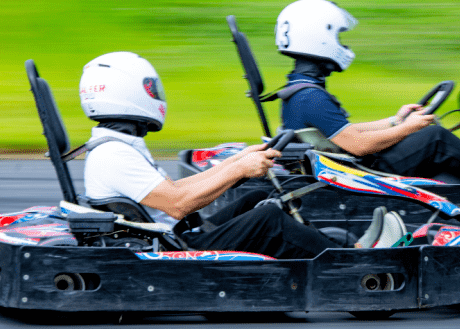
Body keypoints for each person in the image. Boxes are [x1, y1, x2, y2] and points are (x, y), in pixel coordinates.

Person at [79, 51, 403, 256]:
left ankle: (341, 249)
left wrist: (238, 160)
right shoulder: (114, 155)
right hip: (176, 249)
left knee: (256, 197)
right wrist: (238, 170)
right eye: (151, 89)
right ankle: (353, 262)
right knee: (269, 218)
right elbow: (178, 204)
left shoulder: (116, 146)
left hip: (173, 237)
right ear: (128, 94)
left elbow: (177, 193)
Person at [274, 0, 460, 183]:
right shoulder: (311, 98)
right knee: (435, 138)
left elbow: (345, 132)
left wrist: (396, 121)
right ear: (319, 38)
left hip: (348, 166)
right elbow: (358, 145)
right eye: (338, 37)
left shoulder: (298, 92)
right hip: (365, 172)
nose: (342, 45)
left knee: (422, 135)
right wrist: (407, 128)